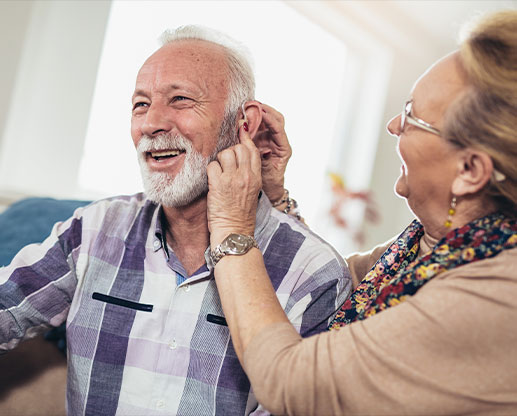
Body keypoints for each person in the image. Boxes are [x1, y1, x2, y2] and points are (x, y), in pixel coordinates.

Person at [0, 26, 351, 415]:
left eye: (180, 99)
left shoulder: (315, 274)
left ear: (245, 123)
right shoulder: (94, 228)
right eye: (140, 105)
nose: (151, 123)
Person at [206, 10, 517, 415]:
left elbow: (294, 383)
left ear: (470, 171)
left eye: (411, 116)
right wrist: (275, 195)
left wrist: (231, 227)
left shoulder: (496, 295)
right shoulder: (425, 251)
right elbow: (327, 286)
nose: (393, 125)